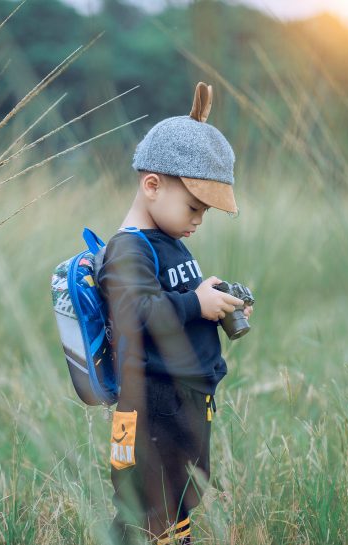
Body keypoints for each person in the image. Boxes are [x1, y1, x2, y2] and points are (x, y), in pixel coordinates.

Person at [97, 82, 253, 545]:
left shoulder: (168, 243)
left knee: (179, 492)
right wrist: (195, 303)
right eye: (194, 206)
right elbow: (138, 313)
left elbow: (173, 301)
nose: (199, 219)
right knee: (146, 502)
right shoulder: (128, 249)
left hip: (181, 401)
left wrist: (211, 296)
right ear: (152, 185)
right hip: (150, 405)